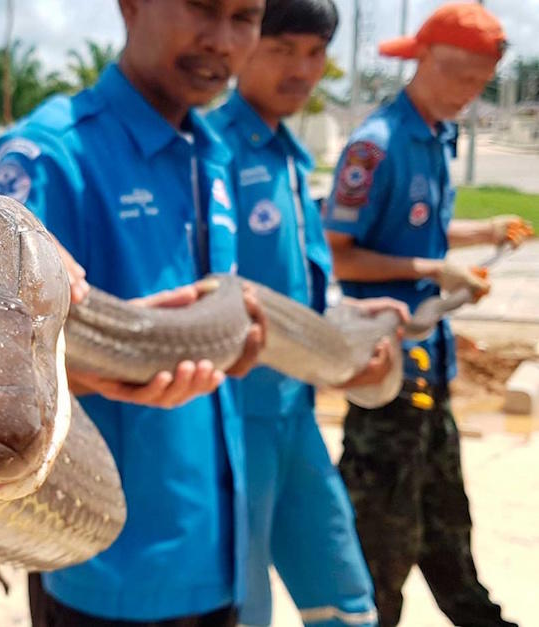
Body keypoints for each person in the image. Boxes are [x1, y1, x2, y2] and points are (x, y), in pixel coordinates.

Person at [0, 0, 269, 624]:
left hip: (215, 547)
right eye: (202, 8)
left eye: (245, 17)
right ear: (130, 6)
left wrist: (227, 345)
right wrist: (88, 369)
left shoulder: (212, 151)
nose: (221, 40)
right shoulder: (47, 156)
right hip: (103, 566)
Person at [323, 4, 532, 626]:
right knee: (380, 545)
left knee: (448, 529)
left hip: (430, 369)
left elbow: (422, 234)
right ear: (422, 61)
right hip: (384, 373)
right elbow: (342, 257)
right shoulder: (377, 146)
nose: (470, 90)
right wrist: (437, 272)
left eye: (482, 78)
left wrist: (483, 232)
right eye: (460, 74)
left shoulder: (440, 135)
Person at [205, 1, 413, 624]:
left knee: (347, 599)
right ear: (243, 48)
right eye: (282, 49)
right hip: (232, 421)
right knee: (244, 608)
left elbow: (306, 291)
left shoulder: (292, 160)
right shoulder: (209, 151)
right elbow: (211, 299)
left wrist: (347, 316)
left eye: (315, 53)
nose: (302, 69)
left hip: (296, 414)